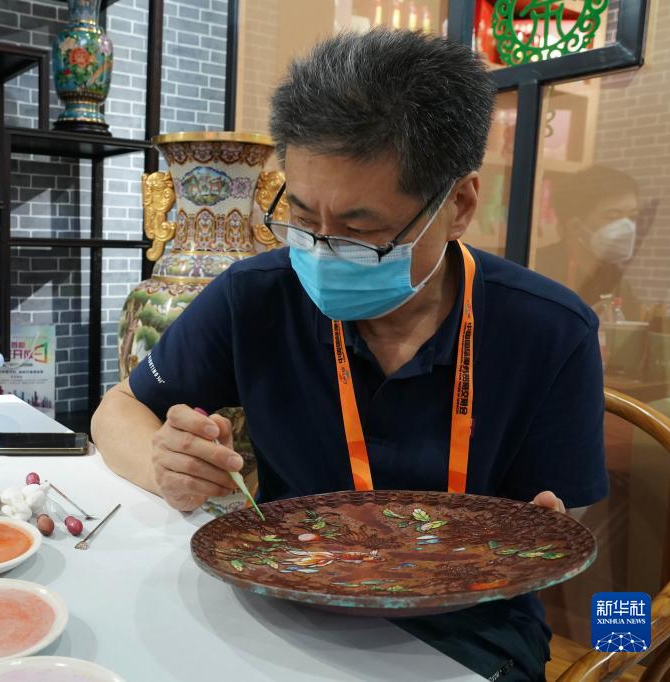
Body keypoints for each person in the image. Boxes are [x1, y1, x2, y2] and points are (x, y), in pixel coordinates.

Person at [92, 29, 607, 681]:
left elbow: (570, 533)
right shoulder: (256, 295)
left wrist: (600, 622)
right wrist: (166, 465)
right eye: (303, 216)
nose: (320, 249)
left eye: (361, 230)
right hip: (280, 602)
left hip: (466, 630)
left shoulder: (549, 330)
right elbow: (118, 410)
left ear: (458, 205)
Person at [534, 165, 642, 320]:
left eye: (633, 217)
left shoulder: (618, 283)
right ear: (575, 227)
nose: (627, 228)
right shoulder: (536, 269)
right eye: (612, 216)